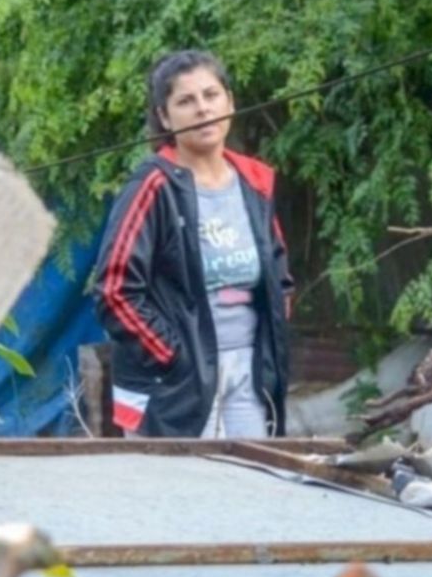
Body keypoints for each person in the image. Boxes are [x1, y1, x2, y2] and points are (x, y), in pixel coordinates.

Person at [93, 50, 294, 438]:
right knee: (187, 480)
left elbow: (280, 279)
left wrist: (269, 347)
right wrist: (175, 357)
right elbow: (115, 292)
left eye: (211, 95)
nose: (203, 109)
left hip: (250, 373)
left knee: (255, 475)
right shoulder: (153, 186)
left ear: (229, 102)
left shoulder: (255, 182)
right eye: (186, 101)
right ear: (165, 117)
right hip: (174, 382)